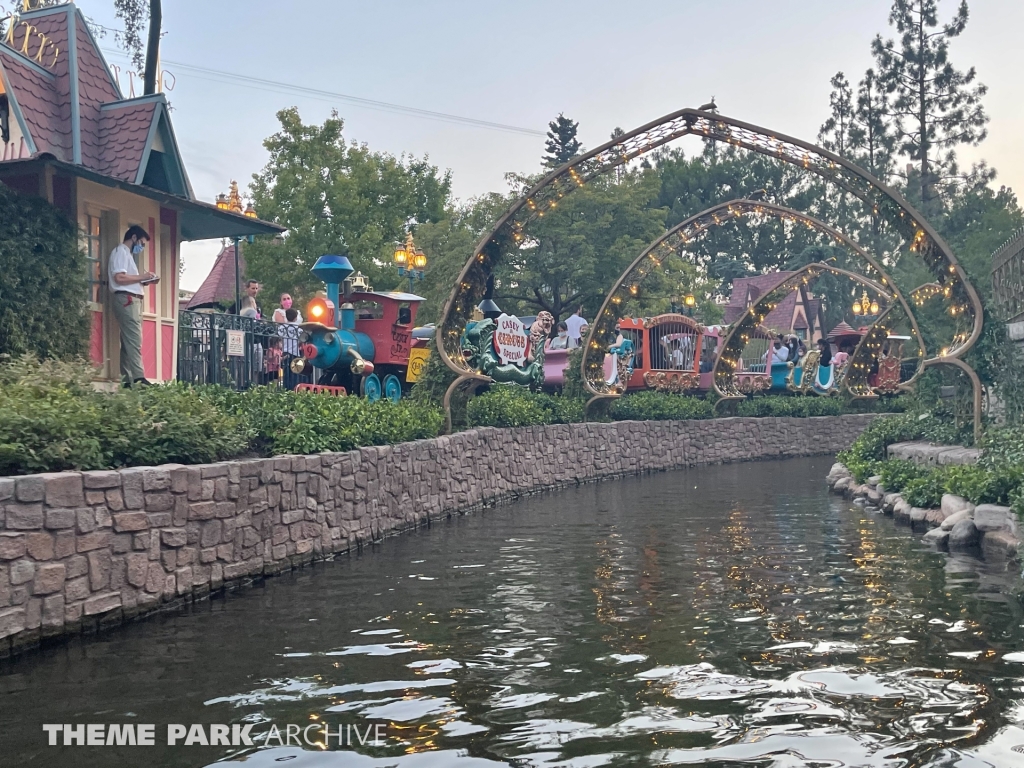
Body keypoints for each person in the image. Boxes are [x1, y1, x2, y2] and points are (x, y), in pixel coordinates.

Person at [108, 225, 157, 387]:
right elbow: (119, 278)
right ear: (134, 237)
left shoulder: (126, 254)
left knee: (128, 341)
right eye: (142, 243)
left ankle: (127, 380)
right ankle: (138, 377)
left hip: (131, 298)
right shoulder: (121, 252)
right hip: (127, 299)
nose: (141, 247)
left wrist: (144, 280)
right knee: (134, 338)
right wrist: (142, 276)